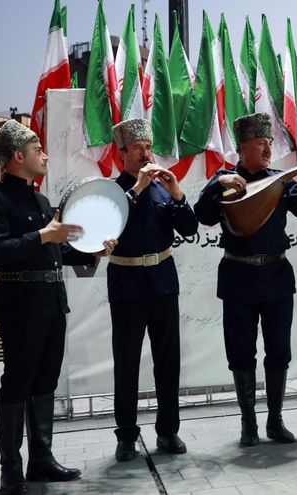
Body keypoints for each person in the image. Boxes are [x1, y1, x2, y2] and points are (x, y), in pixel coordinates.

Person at [0, 120, 116, 495]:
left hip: (52, 303)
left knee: (45, 382)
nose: (45, 155)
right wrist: (43, 235)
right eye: (38, 150)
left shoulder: (39, 200)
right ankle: (11, 472)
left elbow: (56, 251)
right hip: (19, 305)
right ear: (18, 156)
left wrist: (95, 250)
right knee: (17, 383)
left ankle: (42, 460)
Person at [194, 112, 297, 446]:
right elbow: (200, 216)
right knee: (241, 354)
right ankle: (249, 424)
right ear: (242, 147)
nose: (267, 149)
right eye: (260, 143)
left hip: (276, 277)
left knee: (279, 352)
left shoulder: (283, 180)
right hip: (237, 277)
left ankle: (275, 421)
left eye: (269, 143)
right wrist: (216, 186)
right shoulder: (225, 180)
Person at [106, 119, 199, 462]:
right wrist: (137, 190)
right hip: (127, 283)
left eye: (148, 146)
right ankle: (126, 436)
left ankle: (168, 430)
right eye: (137, 148)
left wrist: (177, 194)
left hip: (162, 283)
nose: (146, 153)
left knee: (168, 361)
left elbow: (190, 228)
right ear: (122, 154)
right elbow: (111, 222)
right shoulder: (113, 191)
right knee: (127, 363)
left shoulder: (163, 189)